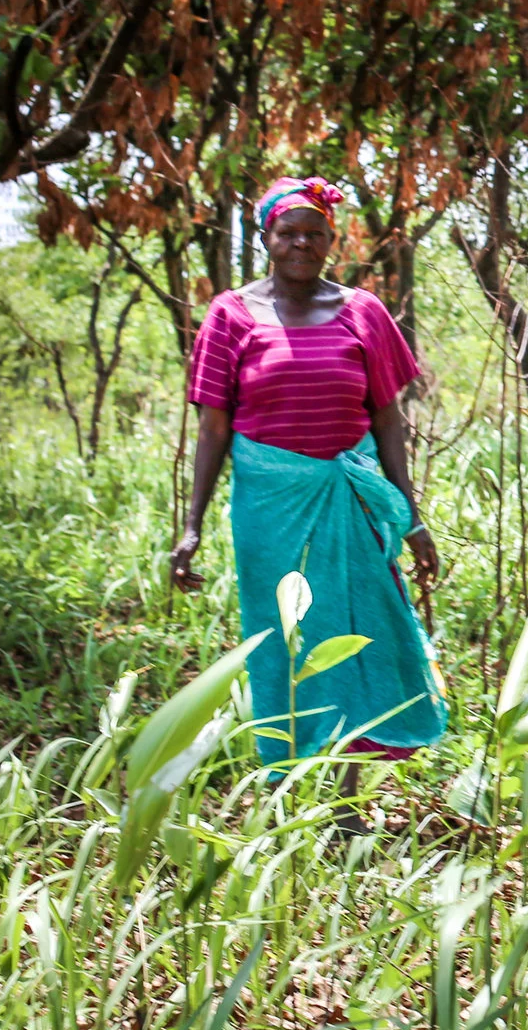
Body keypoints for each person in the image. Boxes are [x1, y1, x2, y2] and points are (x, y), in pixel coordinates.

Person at [171, 176, 447, 827]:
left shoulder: (363, 311)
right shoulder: (230, 314)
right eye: (287, 232)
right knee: (282, 639)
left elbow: (387, 422)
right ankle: (283, 790)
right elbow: (213, 428)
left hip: (349, 498)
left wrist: (411, 519)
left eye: (314, 233)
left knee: (353, 633)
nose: (301, 243)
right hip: (268, 505)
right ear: (266, 237)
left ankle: (348, 801)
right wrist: (191, 526)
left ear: (331, 240)